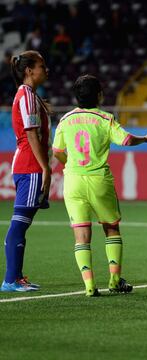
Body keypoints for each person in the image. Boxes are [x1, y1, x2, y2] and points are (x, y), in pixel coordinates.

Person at [52, 75, 147, 297]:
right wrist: (144, 139)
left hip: (73, 181)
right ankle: (114, 280)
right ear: (99, 94)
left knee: (81, 235)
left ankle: (89, 286)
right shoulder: (105, 118)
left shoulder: (65, 120)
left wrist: (70, 165)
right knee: (111, 228)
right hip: (99, 180)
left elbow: (57, 152)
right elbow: (126, 141)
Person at [1, 50, 51, 292]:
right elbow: (31, 134)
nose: (46, 69)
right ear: (30, 71)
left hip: (27, 164)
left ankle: (16, 277)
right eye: (42, 65)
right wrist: (44, 167)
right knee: (19, 224)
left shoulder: (29, 95)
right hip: (30, 165)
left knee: (22, 222)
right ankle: (10, 280)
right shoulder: (27, 95)